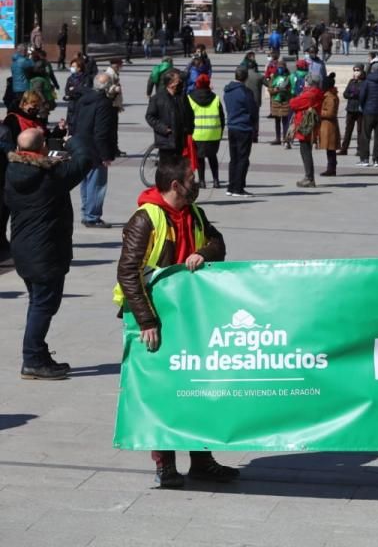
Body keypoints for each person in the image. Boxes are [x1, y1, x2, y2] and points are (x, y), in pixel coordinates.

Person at [114, 154, 237, 488]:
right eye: (192, 179)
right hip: (156, 316)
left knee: (198, 387)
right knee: (162, 390)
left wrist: (205, 253)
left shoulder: (195, 213)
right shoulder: (146, 218)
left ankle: (201, 460)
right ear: (175, 185)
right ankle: (165, 465)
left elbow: (218, 243)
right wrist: (146, 320)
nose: (197, 183)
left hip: (190, 314)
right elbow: (128, 272)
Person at [7, 128, 92, 379]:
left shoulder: (12, 173)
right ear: (42, 147)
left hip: (23, 250)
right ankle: (32, 359)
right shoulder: (51, 177)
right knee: (43, 306)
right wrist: (72, 139)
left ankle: (39, 353)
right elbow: (84, 159)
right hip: (45, 252)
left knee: (38, 303)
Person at [74, 73, 119, 228]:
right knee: (97, 184)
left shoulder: (83, 100)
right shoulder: (104, 103)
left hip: (81, 146)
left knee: (86, 182)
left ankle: (87, 213)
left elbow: (74, 121)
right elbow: (102, 132)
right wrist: (105, 155)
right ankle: (92, 216)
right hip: (95, 149)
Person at [222, 66, 257, 198]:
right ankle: (238, 187)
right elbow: (252, 109)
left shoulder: (228, 91)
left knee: (234, 158)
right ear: (246, 77)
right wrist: (253, 123)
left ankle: (231, 186)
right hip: (244, 127)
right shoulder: (245, 92)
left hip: (232, 126)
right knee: (243, 159)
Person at [145, 70, 194, 161]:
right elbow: (149, 116)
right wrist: (164, 129)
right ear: (170, 83)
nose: (180, 83)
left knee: (180, 170)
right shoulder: (157, 98)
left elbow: (190, 114)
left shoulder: (182, 97)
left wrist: (189, 130)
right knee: (166, 170)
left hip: (181, 140)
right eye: (178, 81)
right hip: (166, 141)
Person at [187, 75, 224, 189]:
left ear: (197, 84)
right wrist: (220, 132)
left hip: (197, 134)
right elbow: (222, 118)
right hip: (213, 134)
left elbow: (187, 117)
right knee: (213, 157)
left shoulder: (190, 98)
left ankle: (202, 181)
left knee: (200, 158)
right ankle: (216, 181)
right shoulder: (216, 98)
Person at [288, 75, 323, 187]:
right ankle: (308, 176)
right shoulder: (315, 92)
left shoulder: (310, 94)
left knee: (305, 151)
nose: (305, 83)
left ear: (310, 83)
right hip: (307, 125)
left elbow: (293, 103)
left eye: (306, 82)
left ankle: (309, 177)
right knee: (305, 151)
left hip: (305, 125)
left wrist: (297, 97)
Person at [357, 60, 378, 167]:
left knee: (365, 136)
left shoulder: (367, 81)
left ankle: (365, 159)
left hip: (369, 111)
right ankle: (376, 160)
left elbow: (362, 96)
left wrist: (363, 106)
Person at [317, 74, 341, 177]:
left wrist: (319, 112)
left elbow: (330, 113)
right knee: (329, 149)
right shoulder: (328, 95)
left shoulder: (330, 97)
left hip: (329, 126)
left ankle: (331, 169)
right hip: (327, 125)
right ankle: (331, 168)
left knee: (331, 149)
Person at [339, 63, 365, 156]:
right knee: (348, 130)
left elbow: (363, 94)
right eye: (354, 70)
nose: (356, 72)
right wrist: (351, 95)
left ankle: (359, 149)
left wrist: (357, 94)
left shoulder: (365, 82)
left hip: (360, 110)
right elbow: (345, 94)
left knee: (360, 130)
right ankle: (344, 149)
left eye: (358, 70)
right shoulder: (351, 81)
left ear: (362, 71)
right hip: (350, 109)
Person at [268, 59, 292, 146]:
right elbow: (269, 89)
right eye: (279, 67)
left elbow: (291, 89)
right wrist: (275, 90)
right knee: (277, 121)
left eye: (282, 67)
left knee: (285, 121)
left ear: (285, 68)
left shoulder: (289, 77)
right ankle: (278, 138)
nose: (280, 69)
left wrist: (286, 90)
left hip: (285, 101)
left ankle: (285, 138)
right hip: (276, 101)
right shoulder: (274, 77)